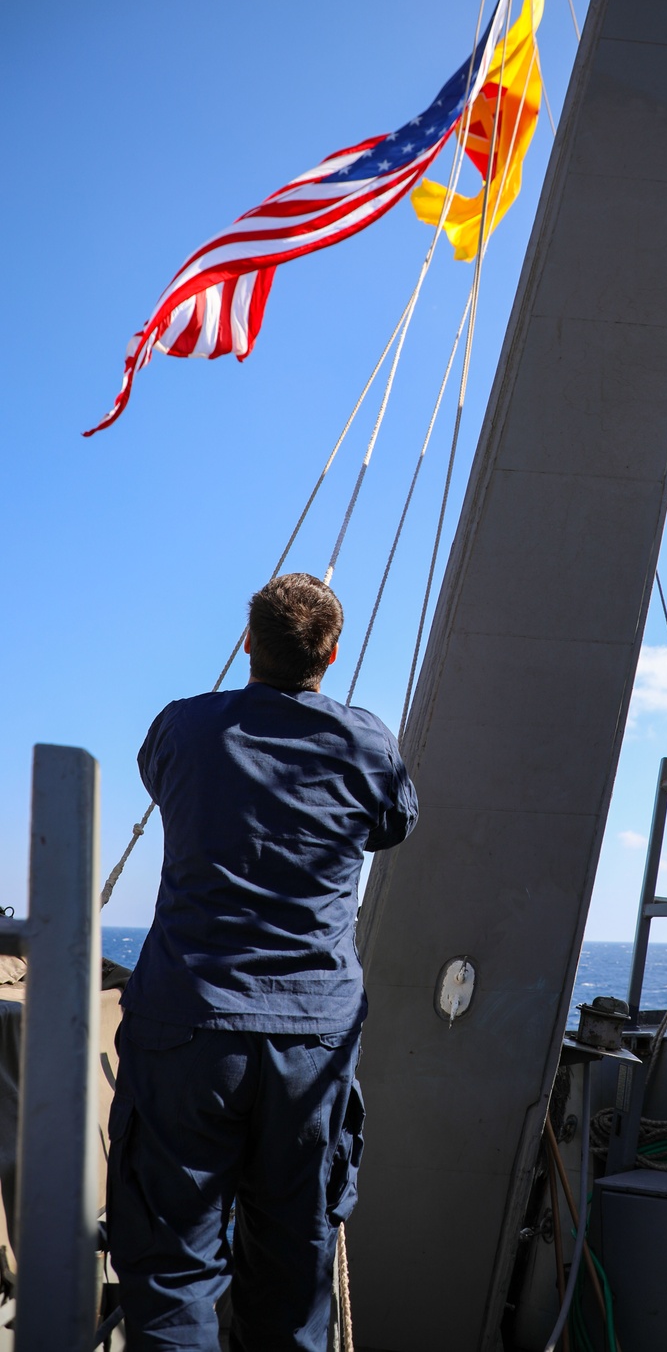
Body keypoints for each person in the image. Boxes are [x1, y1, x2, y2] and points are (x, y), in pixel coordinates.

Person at [107, 572, 418, 1352]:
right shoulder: (368, 742)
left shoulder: (183, 728)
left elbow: (160, 777)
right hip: (310, 1042)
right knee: (292, 1267)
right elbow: (394, 823)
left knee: (174, 1267)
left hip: (188, 1027)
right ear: (333, 654)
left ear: (248, 642)